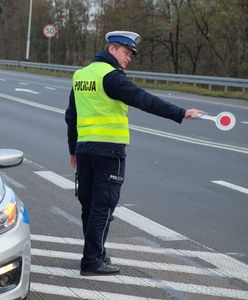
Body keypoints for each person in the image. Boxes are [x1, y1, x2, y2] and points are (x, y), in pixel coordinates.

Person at [65, 31, 206, 275]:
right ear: (112, 49)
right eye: (126, 52)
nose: (129, 58)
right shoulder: (112, 77)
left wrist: (73, 149)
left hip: (85, 149)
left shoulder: (81, 75)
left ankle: (97, 253)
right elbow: (144, 99)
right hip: (109, 151)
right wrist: (181, 113)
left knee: (89, 206)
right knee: (103, 206)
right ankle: (91, 261)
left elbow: (71, 116)